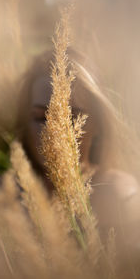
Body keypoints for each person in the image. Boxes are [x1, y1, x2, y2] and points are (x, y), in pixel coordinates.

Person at [18, 49, 140, 256]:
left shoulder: (117, 196)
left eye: (71, 117)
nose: (53, 132)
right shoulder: (3, 195)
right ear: (25, 123)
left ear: (99, 124)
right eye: (41, 117)